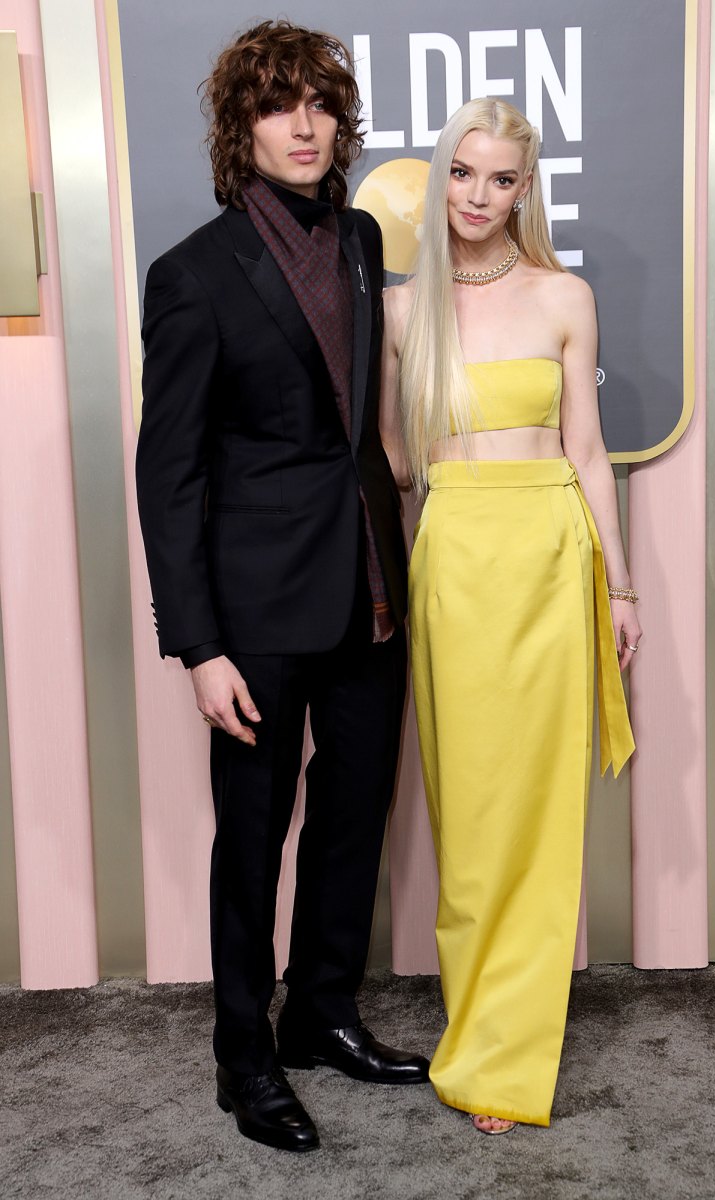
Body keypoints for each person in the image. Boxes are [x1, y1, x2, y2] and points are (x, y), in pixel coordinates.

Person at [135, 20, 428, 1154]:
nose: (302, 125)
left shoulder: (358, 236)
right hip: (253, 614)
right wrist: (198, 647)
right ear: (238, 127)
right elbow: (170, 478)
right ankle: (242, 1060)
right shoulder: (193, 276)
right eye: (275, 105)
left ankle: (320, 1014)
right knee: (251, 838)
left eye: (317, 104)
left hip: (368, 585)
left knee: (356, 813)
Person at [380, 98, 638, 1135]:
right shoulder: (403, 312)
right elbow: (397, 469)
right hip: (453, 562)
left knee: (536, 816)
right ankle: (477, 1026)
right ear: (438, 178)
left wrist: (617, 587)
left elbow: (585, 454)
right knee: (473, 812)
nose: (477, 197)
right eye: (460, 174)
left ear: (525, 188)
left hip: (545, 559)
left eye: (499, 179)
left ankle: (506, 1057)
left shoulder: (563, 295)